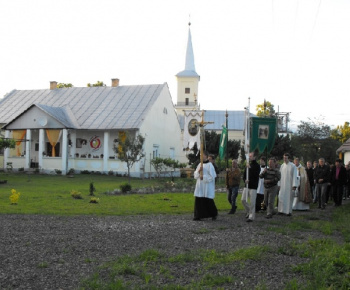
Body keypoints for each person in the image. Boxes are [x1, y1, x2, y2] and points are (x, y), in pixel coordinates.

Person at [193, 151, 218, 221]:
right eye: (200, 155)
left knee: (208, 200)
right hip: (200, 186)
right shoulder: (199, 164)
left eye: (202, 155)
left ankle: (213, 214)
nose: (201, 156)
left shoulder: (210, 165)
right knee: (199, 200)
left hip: (207, 186)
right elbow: (195, 174)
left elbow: (212, 176)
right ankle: (198, 215)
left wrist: (203, 177)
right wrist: (198, 171)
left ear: (206, 156)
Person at [241, 152, 260, 222]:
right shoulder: (248, 165)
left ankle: (251, 216)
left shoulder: (257, 166)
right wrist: (245, 180)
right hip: (247, 186)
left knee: (252, 202)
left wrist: (250, 168)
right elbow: (244, 174)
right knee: (243, 200)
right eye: (249, 156)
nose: (249, 157)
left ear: (254, 157)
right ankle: (249, 211)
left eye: (251, 156)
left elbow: (256, 175)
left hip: (253, 186)